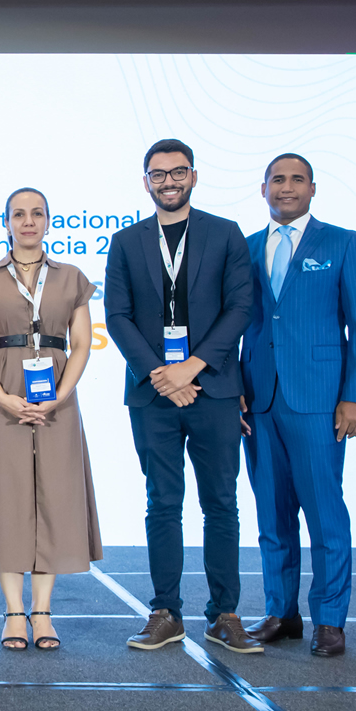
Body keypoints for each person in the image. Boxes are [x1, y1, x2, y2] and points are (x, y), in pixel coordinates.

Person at [104, 139, 261, 654]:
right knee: (162, 504)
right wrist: (159, 373)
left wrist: (191, 367)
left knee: (221, 503)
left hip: (213, 389)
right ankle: (165, 612)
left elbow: (240, 307)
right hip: (153, 395)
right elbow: (118, 317)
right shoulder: (127, 242)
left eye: (177, 172)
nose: (168, 181)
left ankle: (225, 613)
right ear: (145, 181)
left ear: (193, 176)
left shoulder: (225, 234)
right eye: (158, 174)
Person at [240, 153, 356, 658]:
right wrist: (236, 386)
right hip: (259, 401)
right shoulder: (249, 248)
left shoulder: (344, 243)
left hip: (321, 402)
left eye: (296, 179)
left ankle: (330, 619)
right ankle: (282, 612)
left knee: (325, 514)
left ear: (313, 188)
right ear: (263, 189)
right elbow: (243, 325)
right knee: (272, 515)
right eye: (277, 179)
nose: (286, 187)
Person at [0, 187, 103, 652]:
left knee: (55, 501)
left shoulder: (71, 277)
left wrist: (60, 397)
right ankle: (13, 612)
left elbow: (80, 344)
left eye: (36, 213)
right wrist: (1, 397)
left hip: (57, 401)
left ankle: (42, 612)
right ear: (5, 222)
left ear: (47, 221)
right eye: (19, 214)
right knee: (7, 501)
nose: (28, 221)